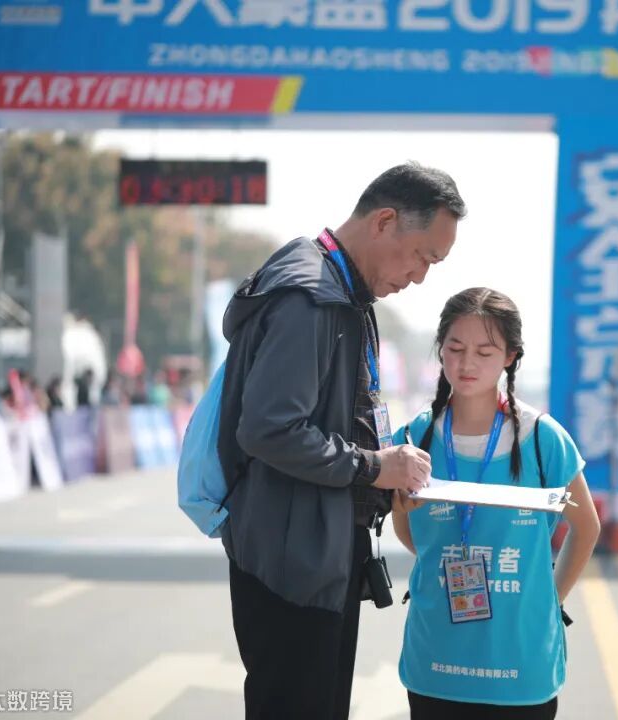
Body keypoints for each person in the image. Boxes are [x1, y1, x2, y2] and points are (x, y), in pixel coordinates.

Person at [217, 162, 466, 719]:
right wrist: (374, 467)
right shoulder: (311, 299)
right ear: (384, 221)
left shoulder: (341, 294)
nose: (420, 277)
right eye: (422, 257)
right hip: (293, 564)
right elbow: (270, 428)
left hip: (313, 552)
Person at [391, 288, 600, 720]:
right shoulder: (413, 438)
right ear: (440, 348)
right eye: (455, 348)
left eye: (484, 352)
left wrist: (548, 599)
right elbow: (411, 532)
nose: (467, 364)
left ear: (510, 356)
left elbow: (586, 528)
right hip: (436, 661)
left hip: (520, 667)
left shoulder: (542, 439)